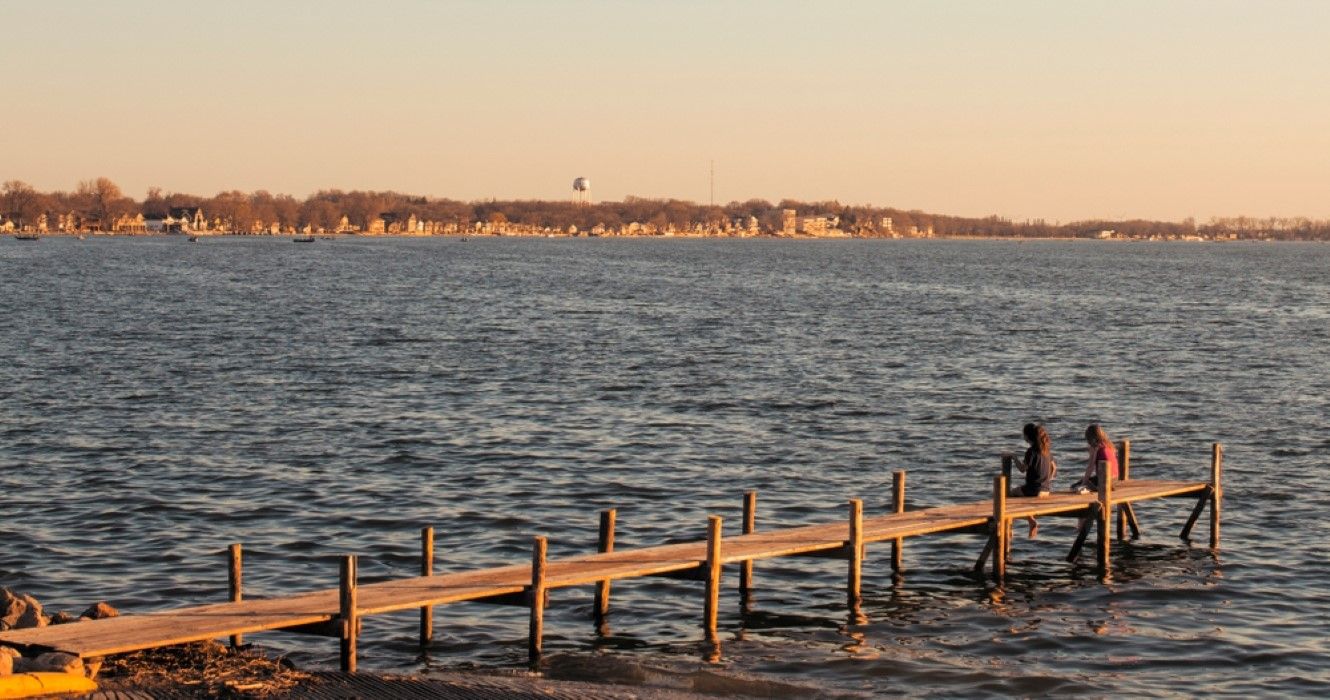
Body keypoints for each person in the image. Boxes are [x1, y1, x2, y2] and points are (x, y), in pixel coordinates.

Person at [1009, 422, 1056, 537]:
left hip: (1034, 490)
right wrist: (1047, 479)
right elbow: (1054, 467)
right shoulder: (1046, 450)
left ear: (1027, 436)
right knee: (1020, 496)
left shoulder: (1031, 452)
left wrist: (1014, 457)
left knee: (1010, 495)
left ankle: (1011, 526)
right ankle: (1030, 520)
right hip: (1046, 490)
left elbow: (1022, 469)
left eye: (1023, 434)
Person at [1071, 423, 1119, 494]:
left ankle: (1090, 488)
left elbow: (1090, 467)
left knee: (1074, 487)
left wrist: (1083, 483)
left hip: (1104, 481)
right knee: (1087, 481)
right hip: (1114, 480)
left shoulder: (1095, 448)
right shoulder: (1109, 445)